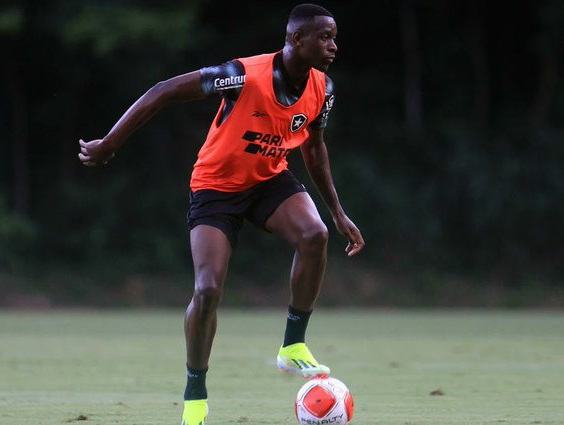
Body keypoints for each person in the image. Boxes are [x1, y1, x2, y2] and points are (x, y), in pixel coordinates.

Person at [78, 3, 364, 425]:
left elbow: (314, 148)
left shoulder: (324, 88)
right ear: (296, 40)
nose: (333, 45)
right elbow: (163, 90)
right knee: (208, 290)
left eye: (334, 36)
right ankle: (196, 395)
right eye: (324, 37)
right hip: (215, 186)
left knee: (315, 235)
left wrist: (337, 212)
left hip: (268, 179)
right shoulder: (244, 74)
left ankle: (292, 347)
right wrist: (110, 143)